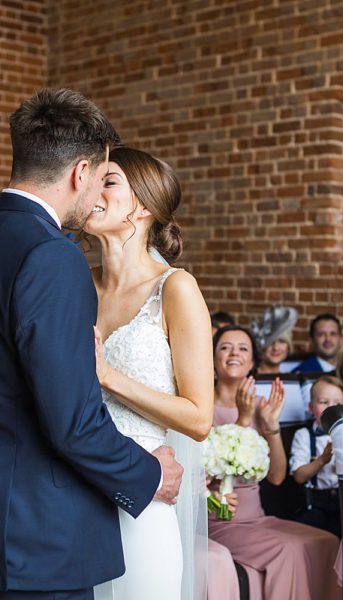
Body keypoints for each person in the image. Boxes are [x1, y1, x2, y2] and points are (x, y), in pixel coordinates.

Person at [0, 89, 182, 600]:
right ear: (81, 172)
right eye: (101, 177)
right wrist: (148, 474)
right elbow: (71, 423)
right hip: (33, 544)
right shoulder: (51, 258)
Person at [87, 147, 214, 599]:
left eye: (108, 181)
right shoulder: (78, 283)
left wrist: (108, 377)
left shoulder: (175, 289)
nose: (91, 189)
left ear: (142, 205)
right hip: (75, 495)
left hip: (143, 497)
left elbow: (199, 418)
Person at [209, 325, 340, 600]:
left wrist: (271, 426)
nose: (234, 353)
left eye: (243, 348)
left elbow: (277, 477)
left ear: (253, 362)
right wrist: (243, 419)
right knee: (287, 550)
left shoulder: (261, 405)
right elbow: (211, 473)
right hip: (218, 521)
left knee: (328, 542)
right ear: (212, 358)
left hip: (257, 518)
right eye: (225, 347)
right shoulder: (201, 406)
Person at [290, 375, 343, 537]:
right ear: (310, 407)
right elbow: (299, 477)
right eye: (324, 402)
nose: (331, 408)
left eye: (338, 403)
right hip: (315, 503)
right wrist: (322, 460)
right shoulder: (303, 435)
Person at [250, 306, 298, 375]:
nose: (276, 348)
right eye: (270, 342)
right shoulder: (248, 379)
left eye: (282, 341)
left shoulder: (290, 379)